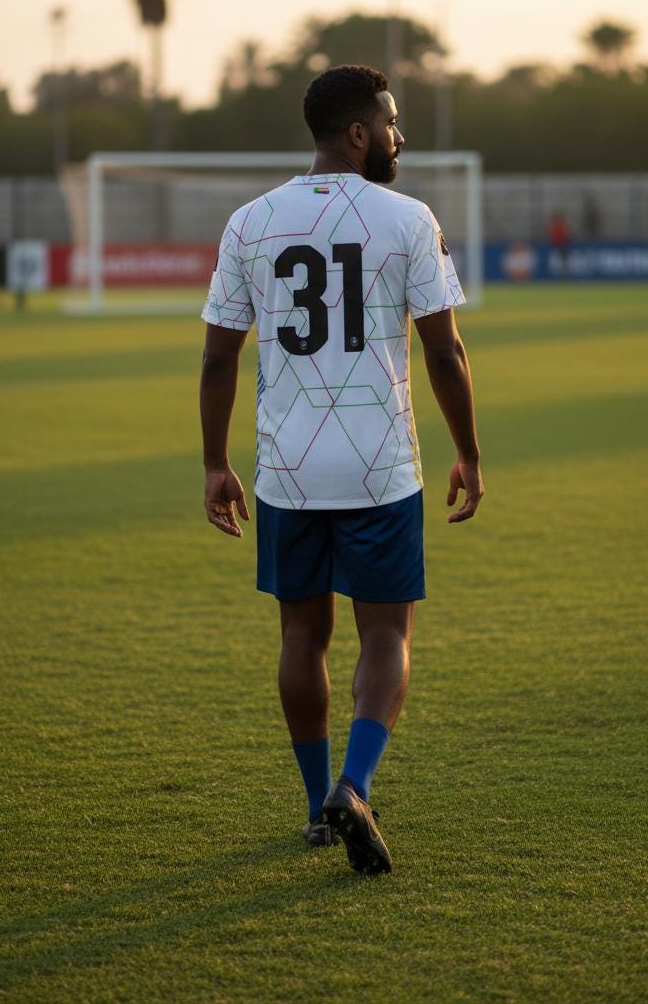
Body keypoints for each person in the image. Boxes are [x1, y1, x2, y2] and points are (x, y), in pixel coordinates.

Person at [199, 64, 483, 875]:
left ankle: (316, 807)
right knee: (386, 632)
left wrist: (216, 463)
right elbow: (444, 352)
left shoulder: (250, 221)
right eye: (390, 122)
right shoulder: (408, 219)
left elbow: (219, 358)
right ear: (359, 133)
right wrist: (468, 452)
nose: (399, 135)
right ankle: (354, 787)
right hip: (378, 467)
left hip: (286, 470)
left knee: (301, 635)